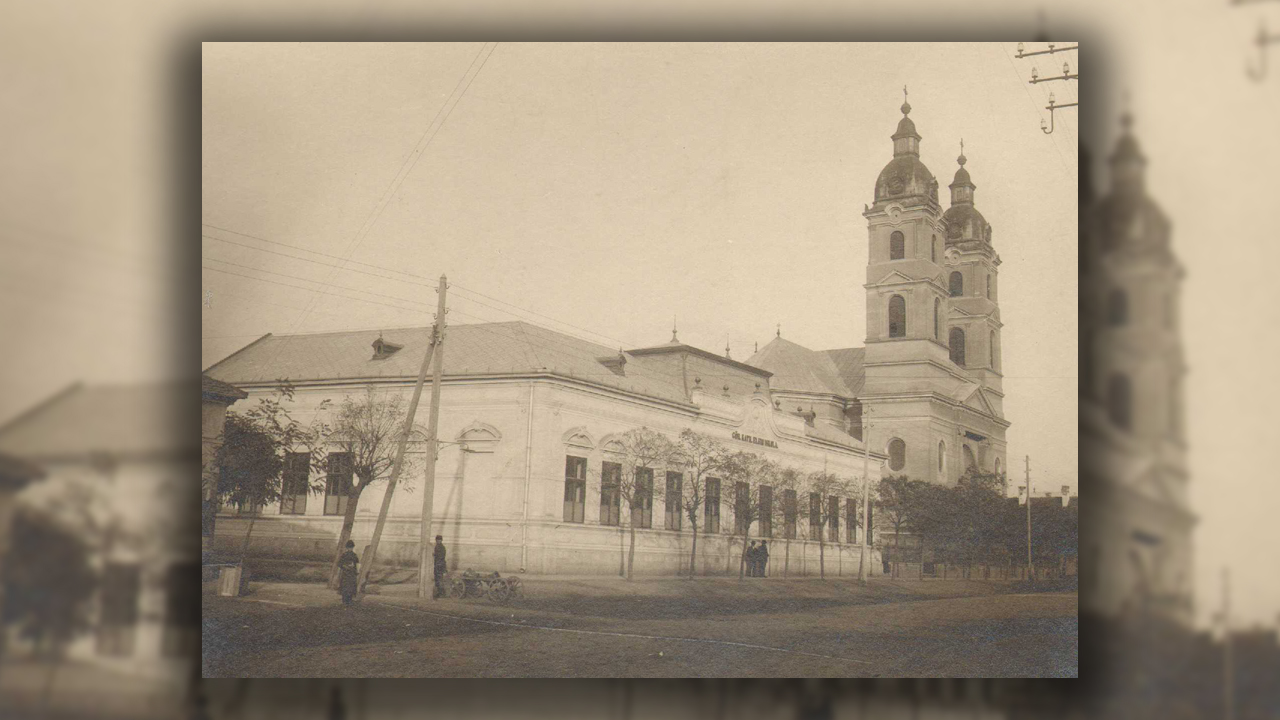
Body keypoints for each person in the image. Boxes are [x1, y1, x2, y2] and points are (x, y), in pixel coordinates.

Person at [337, 540, 359, 606]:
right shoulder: (344, 555)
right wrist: (345, 566)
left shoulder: (354, 555)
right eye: (349, 547)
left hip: (352, 573)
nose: (350, 549)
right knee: (345, 587)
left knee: (351, 587)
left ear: (353, 548)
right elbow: (339, 563)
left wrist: (357, 571)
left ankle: (350, 600)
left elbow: (357, 564)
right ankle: (344, 601)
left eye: (351, 547)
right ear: (347, 548)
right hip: (345, 574)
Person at [433, 535, 448, 599]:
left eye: (439, 540)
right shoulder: (437, 546)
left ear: (441, 540)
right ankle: (439, 592)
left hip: (440, 565)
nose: (438, 541)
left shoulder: (441, 547)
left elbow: (441, 556)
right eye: (437, 540)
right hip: (438, 564)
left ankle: (441, 593)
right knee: (437, 579)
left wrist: (435, 555)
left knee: (439, 579)